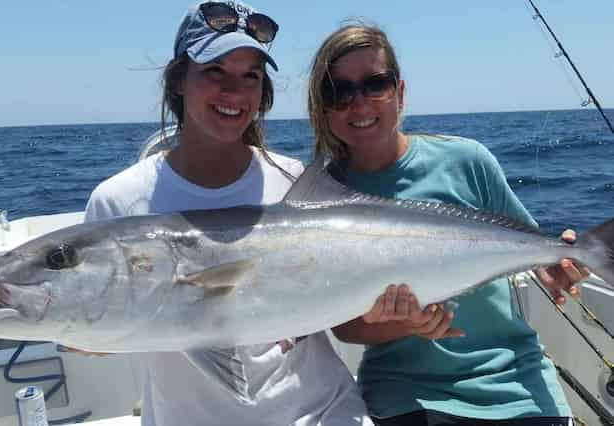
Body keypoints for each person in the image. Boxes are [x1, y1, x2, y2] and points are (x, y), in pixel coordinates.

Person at [83, 2, 370, 425]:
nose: (233, 92)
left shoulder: (296, 182)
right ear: (179, 80)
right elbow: (104, 322)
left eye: (250, 76)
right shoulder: (120, 203)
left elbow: (343, 289)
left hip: (325, 412)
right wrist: (85, 333)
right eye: (214, 71)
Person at [307, 23, 590, 426]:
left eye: (375, 84)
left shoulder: (467, 161)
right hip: (403, 392)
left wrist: (557, 268)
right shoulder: (324, 196)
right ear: (323, 106)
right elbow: (345, 328)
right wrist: (407, 324)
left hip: (514, 379)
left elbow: (531, 255)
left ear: (400, 93)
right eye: (339, 91)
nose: (359, 103)